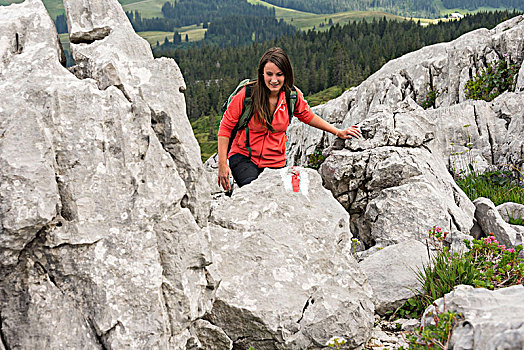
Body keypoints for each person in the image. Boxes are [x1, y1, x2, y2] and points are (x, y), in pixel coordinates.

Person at [217, 47, 361, 192]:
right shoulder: (247, 95)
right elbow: (225, 128)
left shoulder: (291, 96)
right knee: (255, 192)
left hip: (275, 162)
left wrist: (338, 132)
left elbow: (308, 116)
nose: (274, 80)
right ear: (262, 74)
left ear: (286, 75)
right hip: (244, 157)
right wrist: (223, 164)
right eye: (269, 74)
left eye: (279, 74)